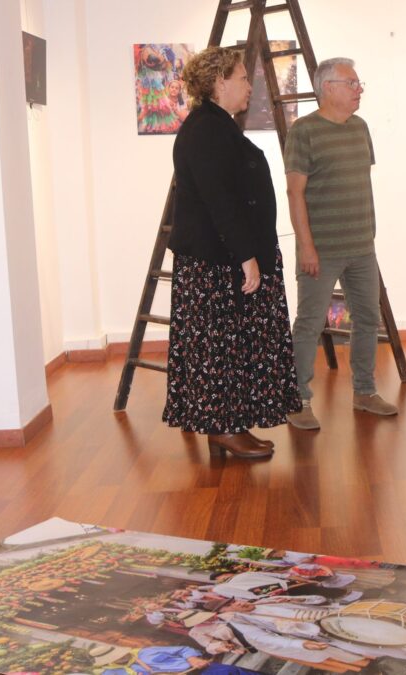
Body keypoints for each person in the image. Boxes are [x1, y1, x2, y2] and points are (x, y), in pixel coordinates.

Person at [163, 47, 302, 459]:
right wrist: (246, 255)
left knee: (228, 346)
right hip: (215, 262)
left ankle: (230, 424)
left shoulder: (216, 125)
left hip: (220, 259)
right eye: (243, 78)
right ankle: (223, 427)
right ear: (220, 82)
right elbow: (219, 200)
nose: (249, 85)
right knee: (217, 347)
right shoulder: (207, 129)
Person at [284, 57, 399, 431]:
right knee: (309, 323)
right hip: (322, 248)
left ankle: (364, 392)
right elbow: (295, 192)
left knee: (368, 318)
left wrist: (369, 233)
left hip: (362, 245)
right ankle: (298, 398)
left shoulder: (360, 128)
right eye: (352, 83)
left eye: (358, 83)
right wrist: (306, 246)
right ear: (328, 87)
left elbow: (358, 182)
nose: (359, 89)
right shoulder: (304, 131)